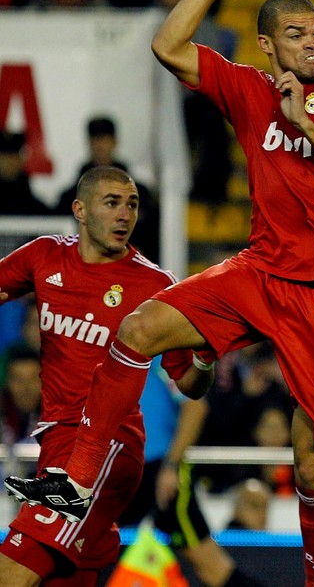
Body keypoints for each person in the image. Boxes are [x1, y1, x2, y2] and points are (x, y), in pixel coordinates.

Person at [5, 0, 314, 587]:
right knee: (140, 327)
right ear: (266, 45)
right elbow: (166, 45)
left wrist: (307, 127)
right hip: (262, 271)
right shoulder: (246, 87)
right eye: (297, 33)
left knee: (311, 466)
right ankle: (77, 476)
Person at [0, 166, 195, 585]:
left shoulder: (156, 285)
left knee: (10, 571)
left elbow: (190, 383)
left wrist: (208, 360)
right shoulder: (45, 256)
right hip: (55, 445)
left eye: (132, 205)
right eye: (112, 203)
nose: (125, 214)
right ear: (81, 210)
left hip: (109, 447)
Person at [116, 357, 263, 586]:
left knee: (208, 564)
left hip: (157, 469)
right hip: (120, 469)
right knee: (91, 553)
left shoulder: (156, 351)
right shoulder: (113, 342)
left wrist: (170, 465)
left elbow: (196, 406)